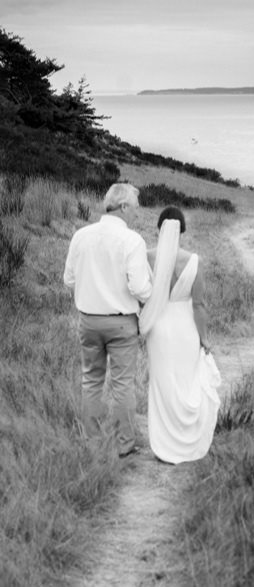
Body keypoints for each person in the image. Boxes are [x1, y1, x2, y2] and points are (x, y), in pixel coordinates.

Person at [64, 184, 152, 458]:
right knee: (123, 383)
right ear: (124, 207)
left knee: (91, 381)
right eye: (135, 208)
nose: (137, 214)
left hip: (88, 321)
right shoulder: (132, 240)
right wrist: (151, 299)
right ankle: (125, 444)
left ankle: (92, 443)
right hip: (121, 323)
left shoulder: (81, 235)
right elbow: (140, 288)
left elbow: (69, 279)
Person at [139, 206, 222, 464]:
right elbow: (199, 305)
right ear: (183, 230)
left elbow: (141, 294)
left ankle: (163, 444)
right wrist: (204, 338)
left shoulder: (147, 257)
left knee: (162, 384)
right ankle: (187, 440)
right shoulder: (192, 261)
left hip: (159, 329)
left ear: (159, 228)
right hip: (185, 328)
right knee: (186, 382)